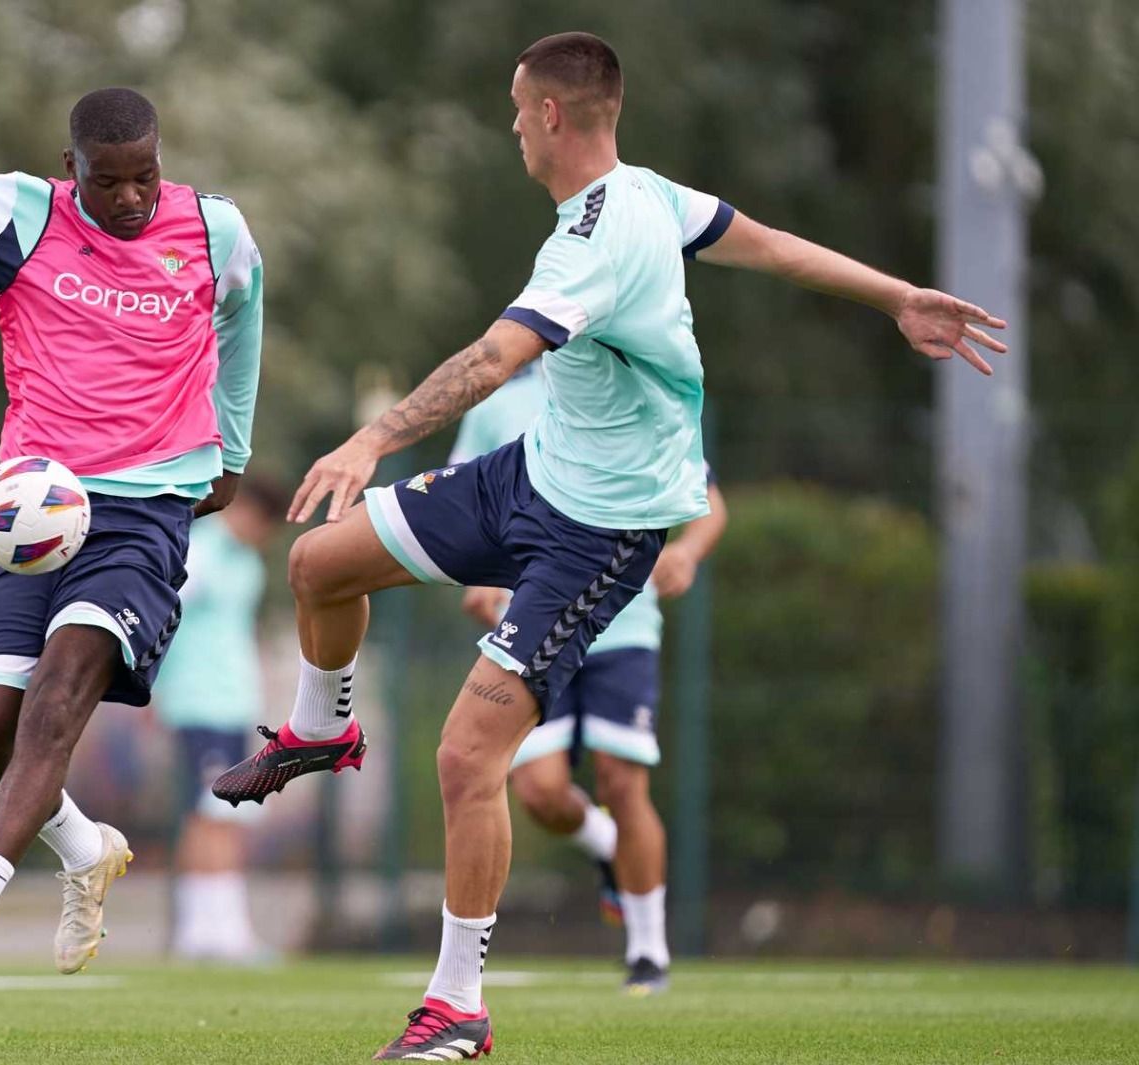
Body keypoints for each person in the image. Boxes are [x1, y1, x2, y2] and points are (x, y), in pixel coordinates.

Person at [212, 31, 1004, 1060]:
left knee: (466, 758)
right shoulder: (651, 196)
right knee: (318, 564)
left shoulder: (595, 242)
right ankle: (324, 729)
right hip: (531, 475)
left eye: (515, 109)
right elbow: (767, 243)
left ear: (550, 114)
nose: (511, 128)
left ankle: (457, 1006)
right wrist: (896, 295)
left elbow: (493, 359)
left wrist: (373, 439)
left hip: (598, 534)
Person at [0, 43, 263, 1000]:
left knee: (57, 700)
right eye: (108, 181)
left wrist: (230, 449)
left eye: (145, 175)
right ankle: (83, 847)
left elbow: (242, 322)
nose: (130, 198)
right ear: (70, 166)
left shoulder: (216, 229)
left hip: (145, 511)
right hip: (34, 507)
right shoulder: (18, 214)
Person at [451, 368, 728, 996]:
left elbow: (709, 501)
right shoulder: (499, 405)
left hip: (623, 625)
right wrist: (481, 576)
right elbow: (469, 499)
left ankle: (648, 951)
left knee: (622, 783)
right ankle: (607, 844)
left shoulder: (642, 390)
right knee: (540, 792)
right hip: (529, 621)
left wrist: (686, 552)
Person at [150, 479, 283, 962]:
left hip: (234, 704)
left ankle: (218, 929)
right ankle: (207, 931)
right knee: (212, 815)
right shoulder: (201, 553)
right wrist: (154, 690)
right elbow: (164, 619)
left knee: (223, 814)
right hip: (199, 702)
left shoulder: (248, 565)